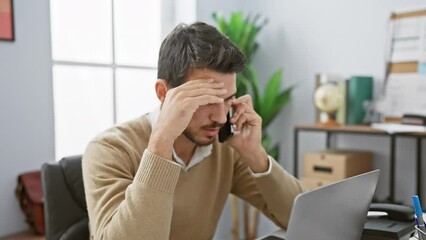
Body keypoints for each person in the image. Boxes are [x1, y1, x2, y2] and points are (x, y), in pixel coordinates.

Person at [82, 22, 304, 240]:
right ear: (163, 93)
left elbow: (301, 219)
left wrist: (255, 154)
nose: (219, 117)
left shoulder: (225, 148)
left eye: (227, 100)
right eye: (206, 101)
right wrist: (161, 143)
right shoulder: (109, 149)